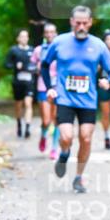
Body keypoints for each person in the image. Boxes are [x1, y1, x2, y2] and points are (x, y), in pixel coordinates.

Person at [41, 5, 110, 194]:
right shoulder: (60, 42)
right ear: (71, 22)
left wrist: (107, 81)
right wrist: (50, 88)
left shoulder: (99, 45)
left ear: (90, 23)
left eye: (85, 23)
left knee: (85, 138)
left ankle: (78, 177)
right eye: (78, 23)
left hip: (88, 101)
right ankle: (64, 154)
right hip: (65, 99)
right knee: (66, 137)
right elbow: (44, 65)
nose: (81, 26)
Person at [32, 22, 61, 159]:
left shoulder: (61, 49)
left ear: (56, 34)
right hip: (43, 86)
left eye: (52, 32)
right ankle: (43, 136)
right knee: (46, 120)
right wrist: (37, 69)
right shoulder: (38, 50)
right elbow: (31, 66)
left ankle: (54, 148)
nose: (49, 34)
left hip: (58, 87)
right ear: (44, 34)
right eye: (47, 32)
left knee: (57, 119)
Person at [5, 29, 36, 138]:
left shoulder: (32, 50)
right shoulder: (13, 50)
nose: (24, 38)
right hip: (17, 81)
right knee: (18, 105)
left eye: (26, 36)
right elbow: (6, 64)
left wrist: (34, 69)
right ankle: (19, 124)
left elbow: (36, 63)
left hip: (29, 81)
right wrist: (14, 66)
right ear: (18, 38)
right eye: (22, 36)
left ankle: (27, 127)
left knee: (28, 103)